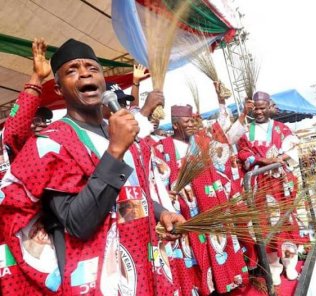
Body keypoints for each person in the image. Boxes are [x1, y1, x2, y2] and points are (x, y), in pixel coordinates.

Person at [0, 38, 185, 295]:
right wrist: (115, 152)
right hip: (96, 280)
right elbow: (78, 223)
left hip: (142, 270)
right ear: (59, 88)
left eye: (92, 68)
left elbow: (128, 196)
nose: (85, 73)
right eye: (72, 70)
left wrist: (161, 212)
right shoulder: (53, 143)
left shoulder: (120, 131)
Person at [158, 104, 249, 295]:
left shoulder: (203, 142)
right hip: (185, 213)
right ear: (175, 125)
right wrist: (166, 195)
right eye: (187, 121)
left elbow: (223, 156)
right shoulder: (162, 148)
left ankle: (224, 282)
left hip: (211, 206)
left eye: (192, 120)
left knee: (218, 247)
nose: (192, 124)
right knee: (194, 254)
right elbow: (158, 179)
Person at [237, 91, 306, 284]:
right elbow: (243, 153)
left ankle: (290, 262)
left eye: (262, 108)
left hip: (281, 184)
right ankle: (274, 267)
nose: (259, 112)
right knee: (266, 226)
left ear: (269, 107)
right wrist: (261, 159)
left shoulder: (282, 128)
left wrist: (278, 159)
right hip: (260, 186)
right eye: (256, 108)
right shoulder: (246, 131)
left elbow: (293, 150)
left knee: (286, 222)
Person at [1, 39, 54, 180]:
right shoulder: (16, 148)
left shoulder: (55, 146)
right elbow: (13, 122)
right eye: (35, 119)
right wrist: (36, 78)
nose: (41, 123)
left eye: (44, 120)